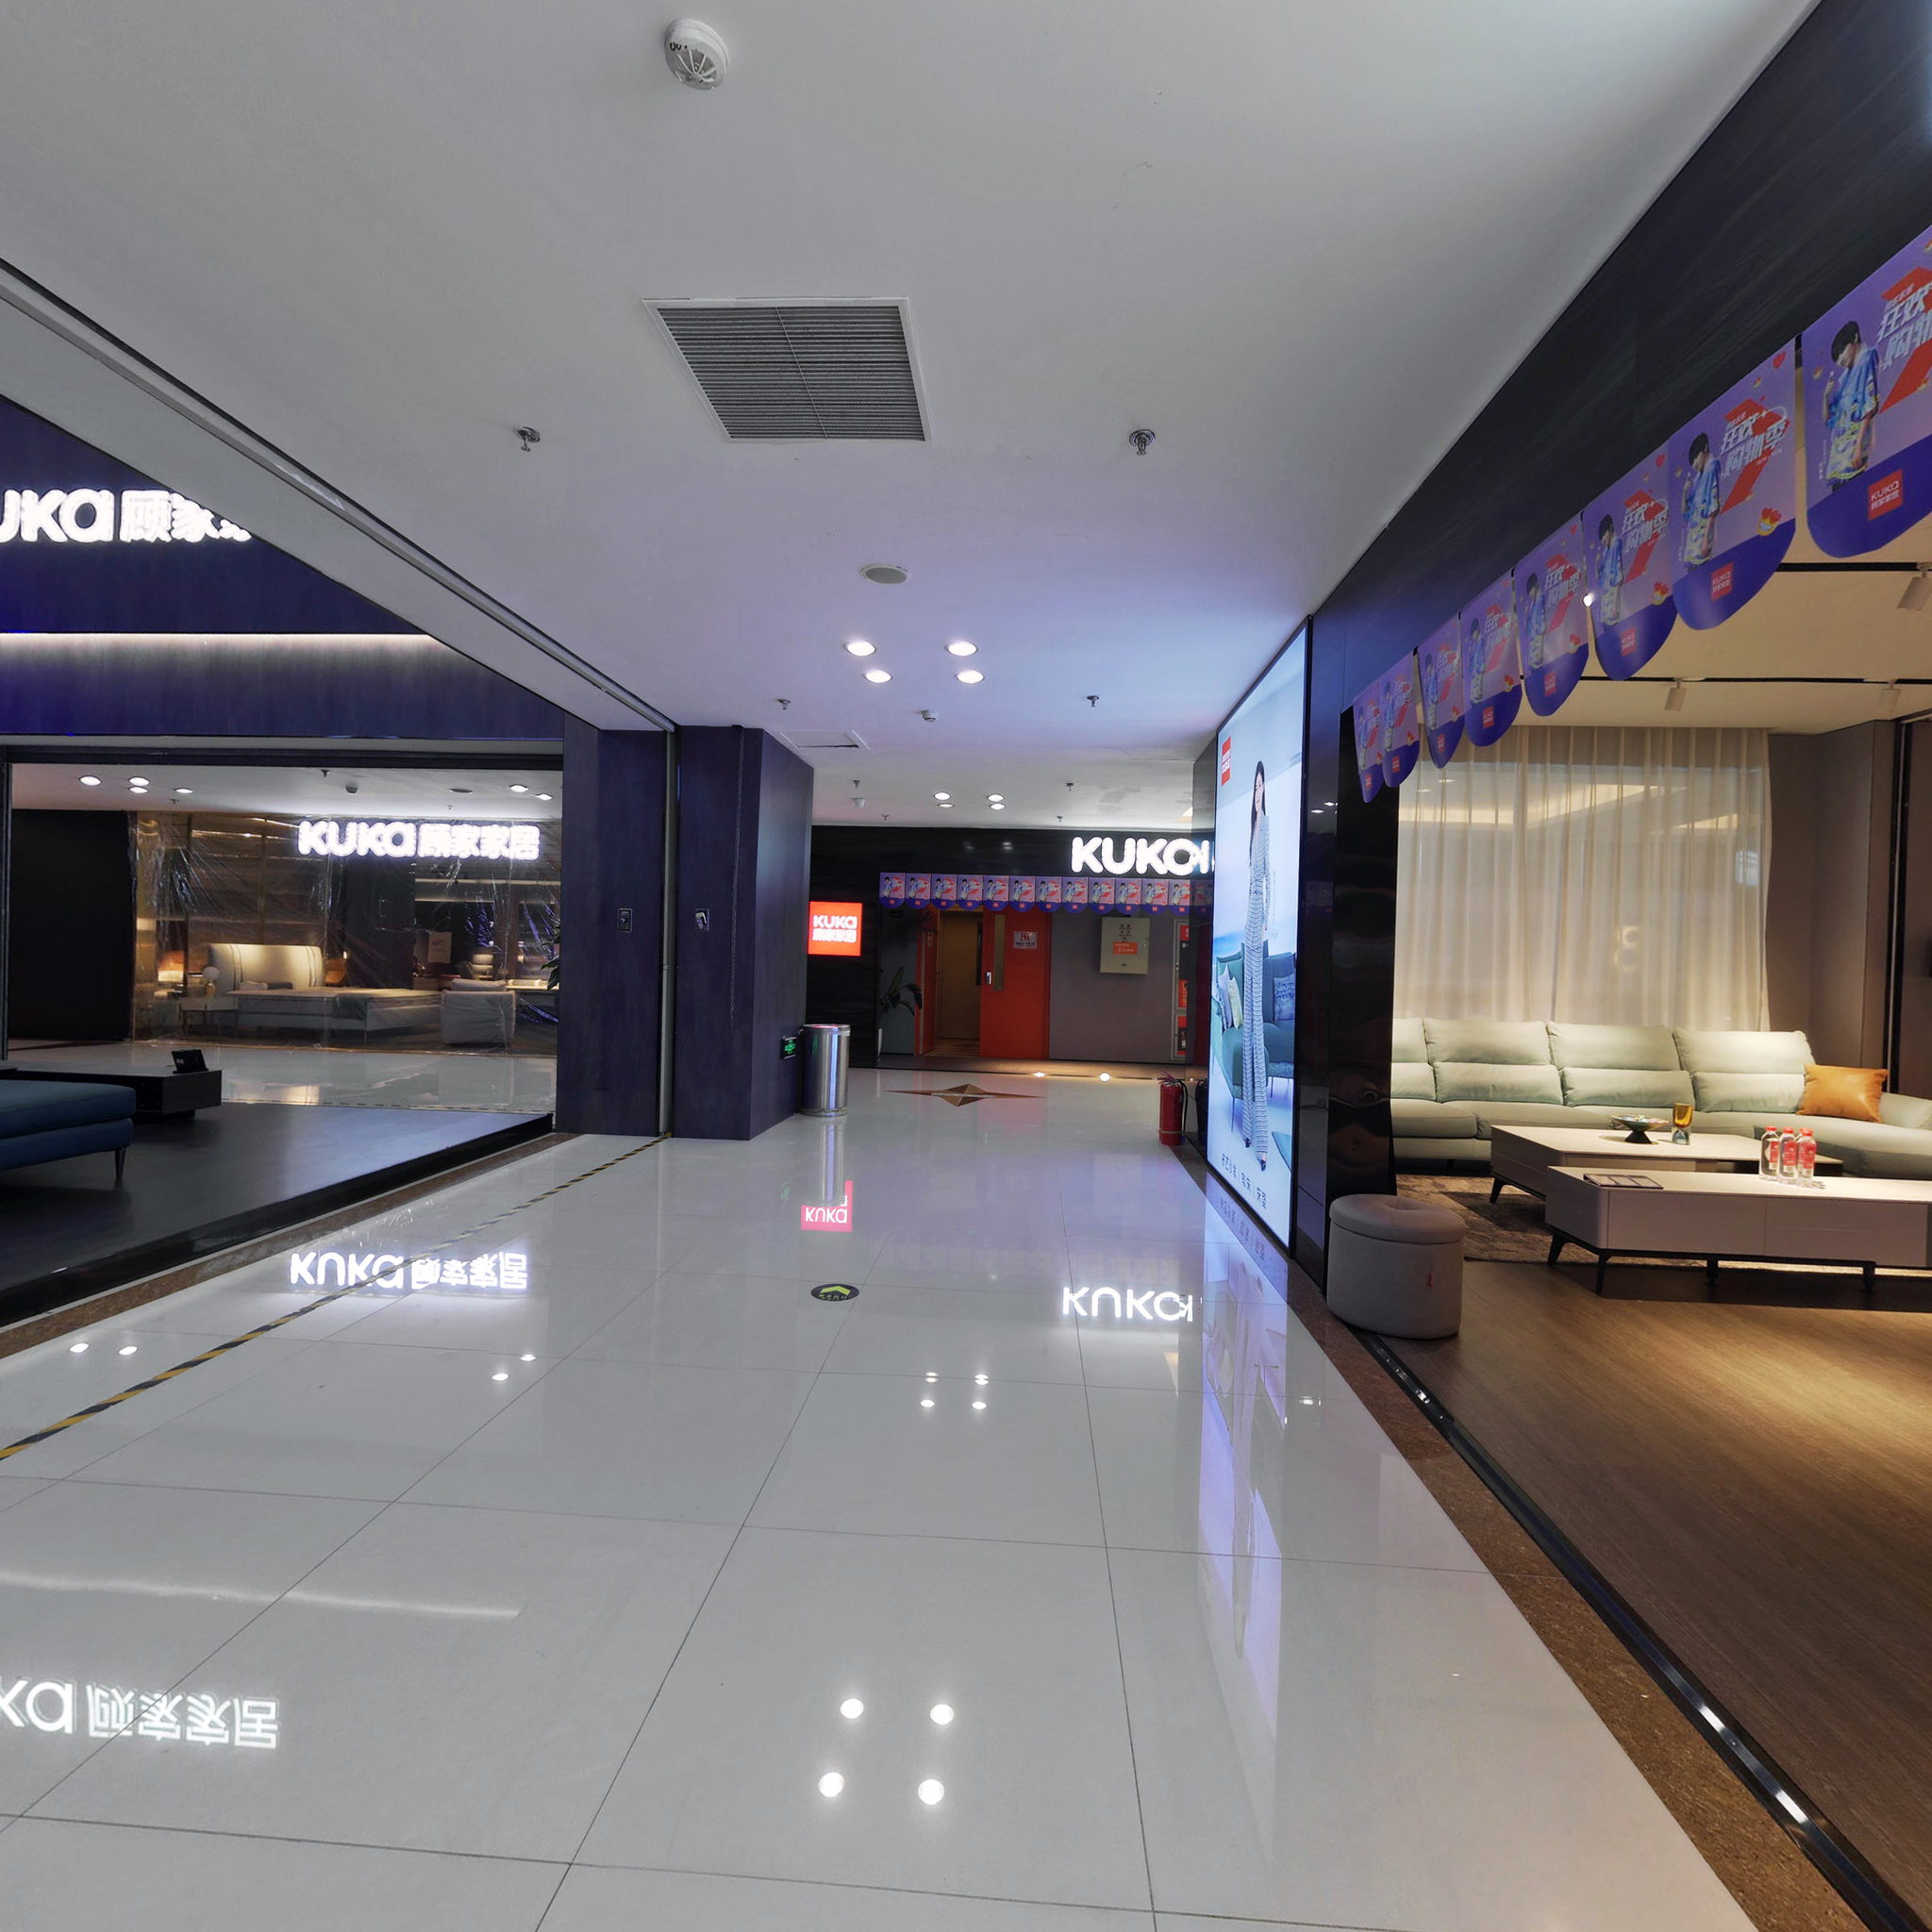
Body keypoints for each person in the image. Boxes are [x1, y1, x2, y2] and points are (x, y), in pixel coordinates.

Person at [1241, 761, 1270, 1166]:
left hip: (1258, 925)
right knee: (1248, 1032)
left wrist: (1266, 924)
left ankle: (1260, 1135)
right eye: (1256, 785)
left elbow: (1268, 879)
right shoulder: (1253, 828)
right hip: (1248, 925)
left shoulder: (1268, 827)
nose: (1258, 791)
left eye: (1262, 785)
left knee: (1257, 1033)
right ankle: (1250, 1127)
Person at [1823, 318, 1879, 489]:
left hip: (1854, 448)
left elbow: (1868, 407)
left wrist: (1858, 448)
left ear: (1854, 339)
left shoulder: (1867, 358)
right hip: (1840, 453)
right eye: (1837, 358)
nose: (1840, 360)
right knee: (1840, 494)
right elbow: (1829, 420)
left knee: (1857, 489)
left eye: (1842, 352)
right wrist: (1825, 396)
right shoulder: (1845, 378)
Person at [1679, 431, 1721, 566]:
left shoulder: (1712, 466)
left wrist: (1705, 541)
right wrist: (1684, 492)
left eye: (1696, 458)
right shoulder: (1698, 477)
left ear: (1705, 449)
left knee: (1704, 566)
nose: (1695, 465)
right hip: (1693, 538)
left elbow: (1713, 507)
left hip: (1703, 536)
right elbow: (1685, 511)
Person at [1593, 512, 1625, 625]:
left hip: (1612, 601)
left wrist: (1615, 606)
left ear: (1610, 528)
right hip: (1605, 600)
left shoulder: (1616, 545)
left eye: (1604, 535)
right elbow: (1599, 579)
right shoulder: (1606, 552)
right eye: (1601, 537)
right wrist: (1596, 564)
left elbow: (1617, 576)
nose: (1603, 540)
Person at [1519, 570, 1548, 672]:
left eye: (1531, 591)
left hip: (1539, 645)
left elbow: (1542, 624)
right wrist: (1526, 617)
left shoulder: (1542, 599)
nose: (1530, 595)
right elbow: (1528, 628)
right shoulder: (1532, 605)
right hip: (1532, 647)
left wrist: (1538, 631)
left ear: (1535, 586)